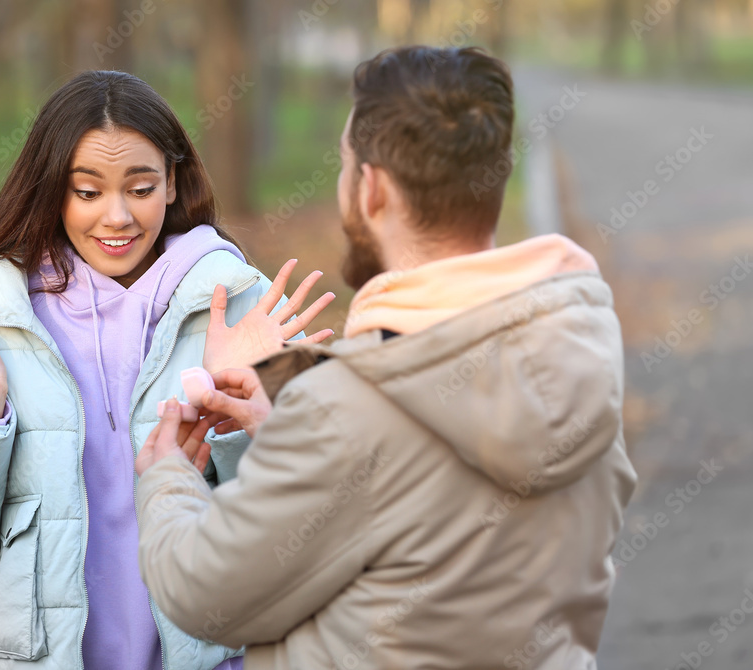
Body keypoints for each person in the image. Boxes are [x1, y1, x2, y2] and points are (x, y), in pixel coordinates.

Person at [134, 46, 637, 669]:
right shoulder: (573, 352)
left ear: (371, 189)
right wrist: (298, 400)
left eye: (346, 167)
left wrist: (168, 481)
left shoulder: (345, 416)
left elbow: (206, 595)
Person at [0, 70, 335, 670]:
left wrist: (242, 413)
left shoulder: (247, 308)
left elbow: (310, 532)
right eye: (87, 192)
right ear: (51, 190)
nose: (116, 217)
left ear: (172, 183)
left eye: (139, 188)